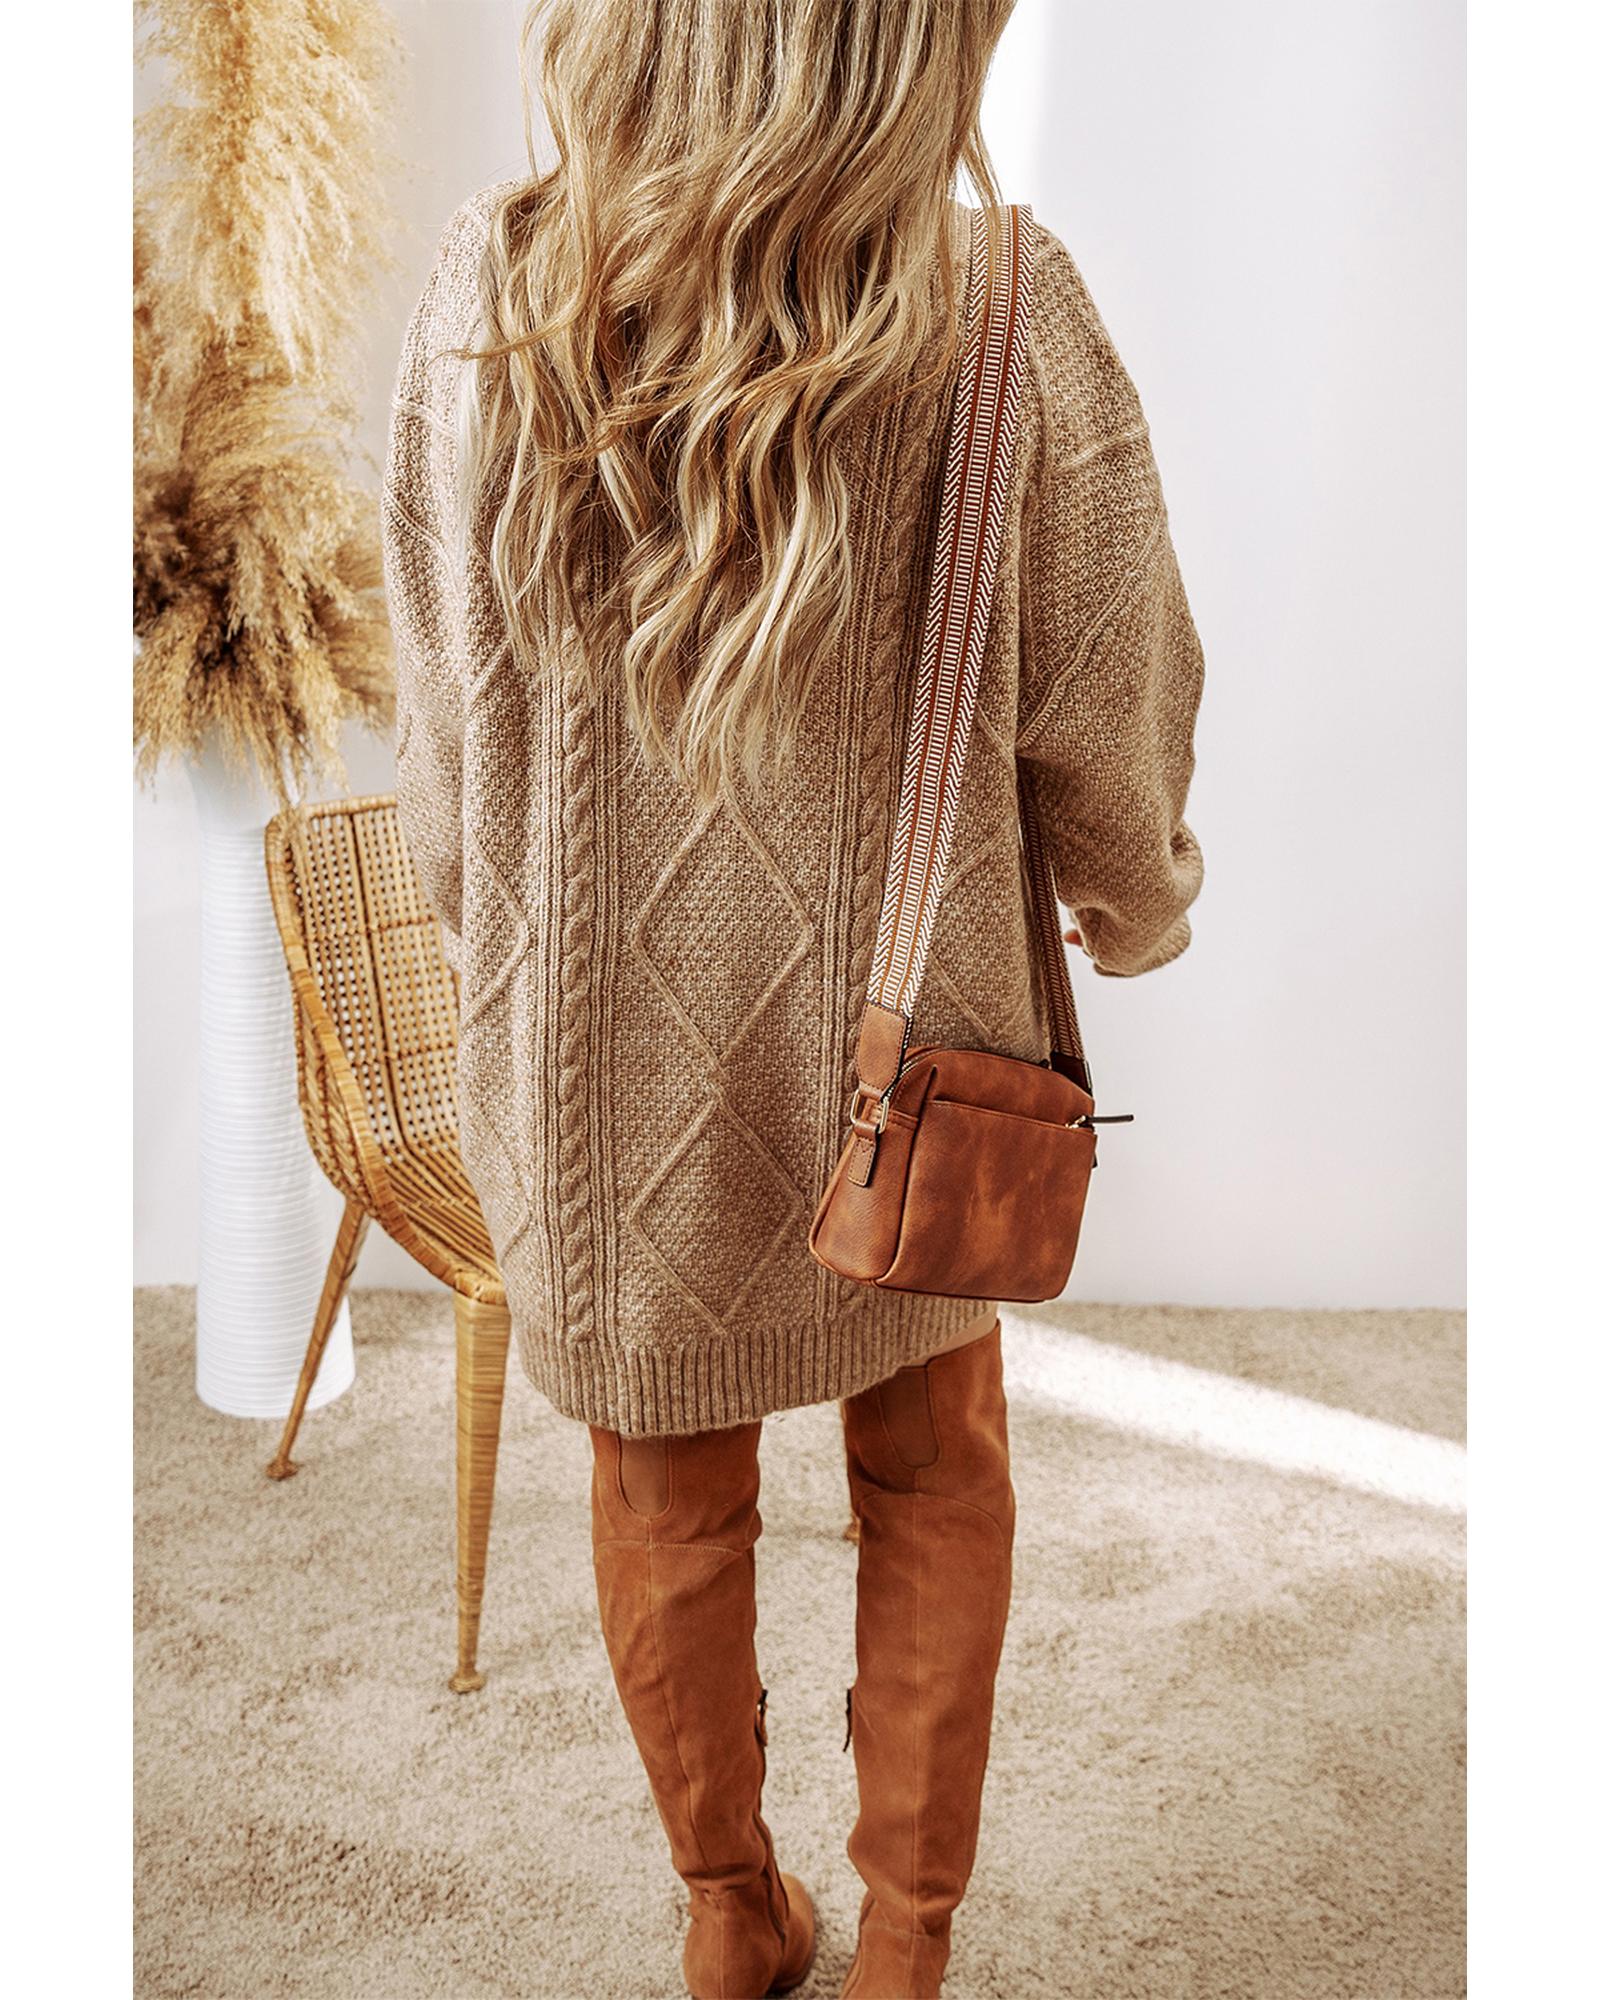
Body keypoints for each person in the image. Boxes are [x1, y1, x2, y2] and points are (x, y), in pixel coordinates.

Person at [381, 4, 1203, 1993]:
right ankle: (908, 1943)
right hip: (911, 1056)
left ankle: (728, 1916)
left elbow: (443, 713)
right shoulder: (1002, 307)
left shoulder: (498, 287)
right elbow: (1110, 685)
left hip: (592, 1062)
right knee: (935, 1461)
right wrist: (1137, 898)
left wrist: (492, 934)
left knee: (661, 1479)